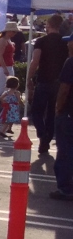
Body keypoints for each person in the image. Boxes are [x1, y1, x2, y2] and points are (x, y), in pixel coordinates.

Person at [27, 14, 68, 156]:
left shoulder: (41, 41)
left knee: (36, 111)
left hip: (44, 80)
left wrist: (29, 78)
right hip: (59, 81)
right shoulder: (65, 42)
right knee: (51, 113)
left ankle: (42, 133)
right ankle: (46, 139)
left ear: (48, 25)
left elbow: (35, 61)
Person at [52, 45, 73, 200]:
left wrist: (58, 108)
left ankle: (65, 187)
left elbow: (64, 88)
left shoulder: (70, 62)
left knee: (65, 151)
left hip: (68, 114)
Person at [0, 22, 17, 95]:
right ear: (8, 31)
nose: (14, 33)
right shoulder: (2, 40)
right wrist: (5, 68)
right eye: (13, 31)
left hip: (8, 65)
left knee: (7, 89)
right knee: (0, 90)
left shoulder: (8, 40)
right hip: (1, 67)